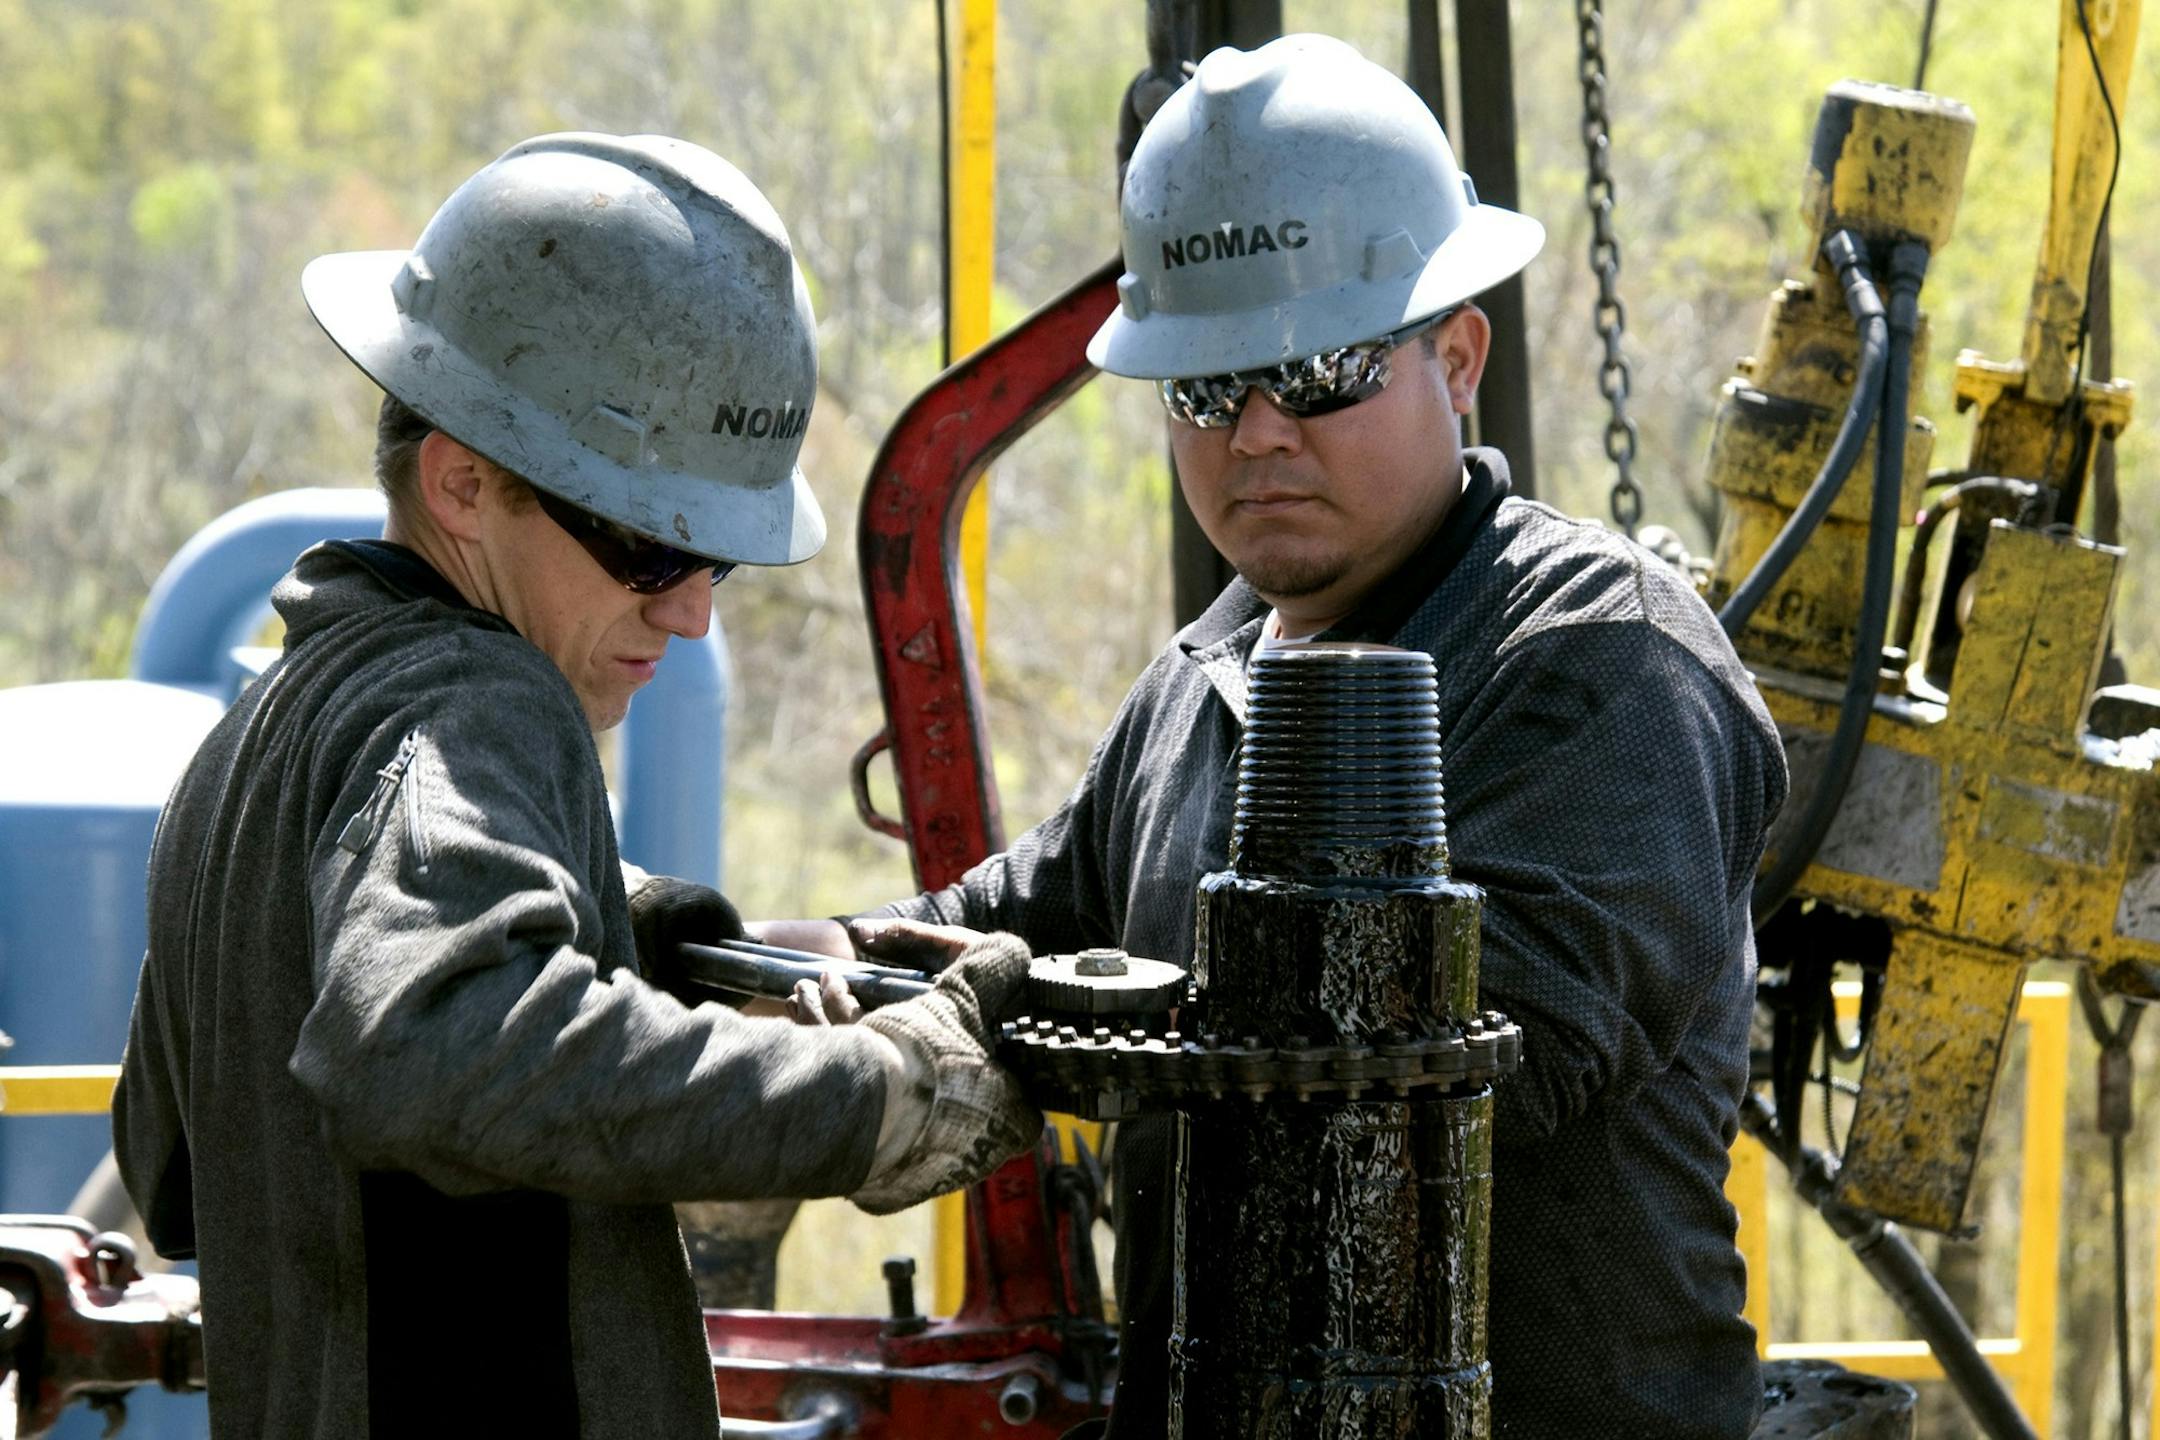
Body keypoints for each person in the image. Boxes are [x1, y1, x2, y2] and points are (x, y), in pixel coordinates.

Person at [771, 35, 1788, 1439]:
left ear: (1459, 358)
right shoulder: (1203, 677)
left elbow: (1465, 1052)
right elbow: (1010, 914)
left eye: (1314, 370)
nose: (1254, 434)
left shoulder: (1604, 661)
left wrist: (1034, 1018)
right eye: (1203, 386)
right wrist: (808, 961)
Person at [111, 133, 1038, 1439]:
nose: (695, 615)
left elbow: (177, 1173)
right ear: (462, 482)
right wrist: (878, 1099)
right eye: (652, 544)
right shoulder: (484, 702)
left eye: (719, 556)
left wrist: (629, 934)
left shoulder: (255, 743)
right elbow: (427, 1046)